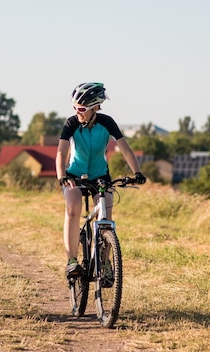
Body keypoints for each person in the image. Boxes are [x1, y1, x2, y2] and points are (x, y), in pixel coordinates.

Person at [55, 82, 146, 279]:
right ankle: (72, 261)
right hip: (74, 176)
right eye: (74, 108)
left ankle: (104, 264)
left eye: (81, 109)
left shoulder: (107, 122)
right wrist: (61, 176)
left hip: (100, 176)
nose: (77, 112)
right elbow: (61, 153)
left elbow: (125, 149)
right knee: (72, 208)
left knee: (106, 217)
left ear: (95, 107)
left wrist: (137, 172)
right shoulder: (71, 123)